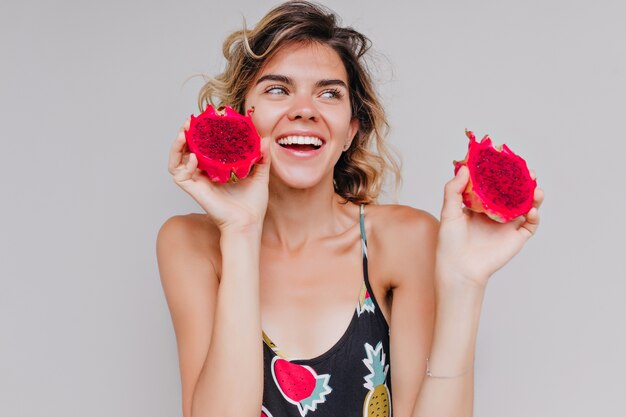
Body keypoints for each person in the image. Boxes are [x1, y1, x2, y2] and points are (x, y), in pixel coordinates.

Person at [156, 2, 544, 417]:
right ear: (240, 117)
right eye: (277, 89)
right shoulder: (191, 245)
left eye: (328, 93)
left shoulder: (403, 241)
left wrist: (464, 285)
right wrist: (241, 230)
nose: (305, 109)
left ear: (350, 131)